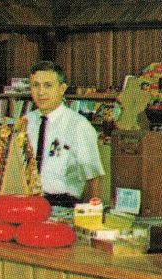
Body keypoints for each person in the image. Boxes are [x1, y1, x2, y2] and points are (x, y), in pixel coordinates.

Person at [23, 60, 104, 206]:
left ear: (62, 88)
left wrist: (86, 215)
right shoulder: (25, 123)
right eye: (36, 85)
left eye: (48, 85)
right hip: (27, 202)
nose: (41, 92)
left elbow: (93, 177)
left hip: (62, 204)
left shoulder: (78, 126)